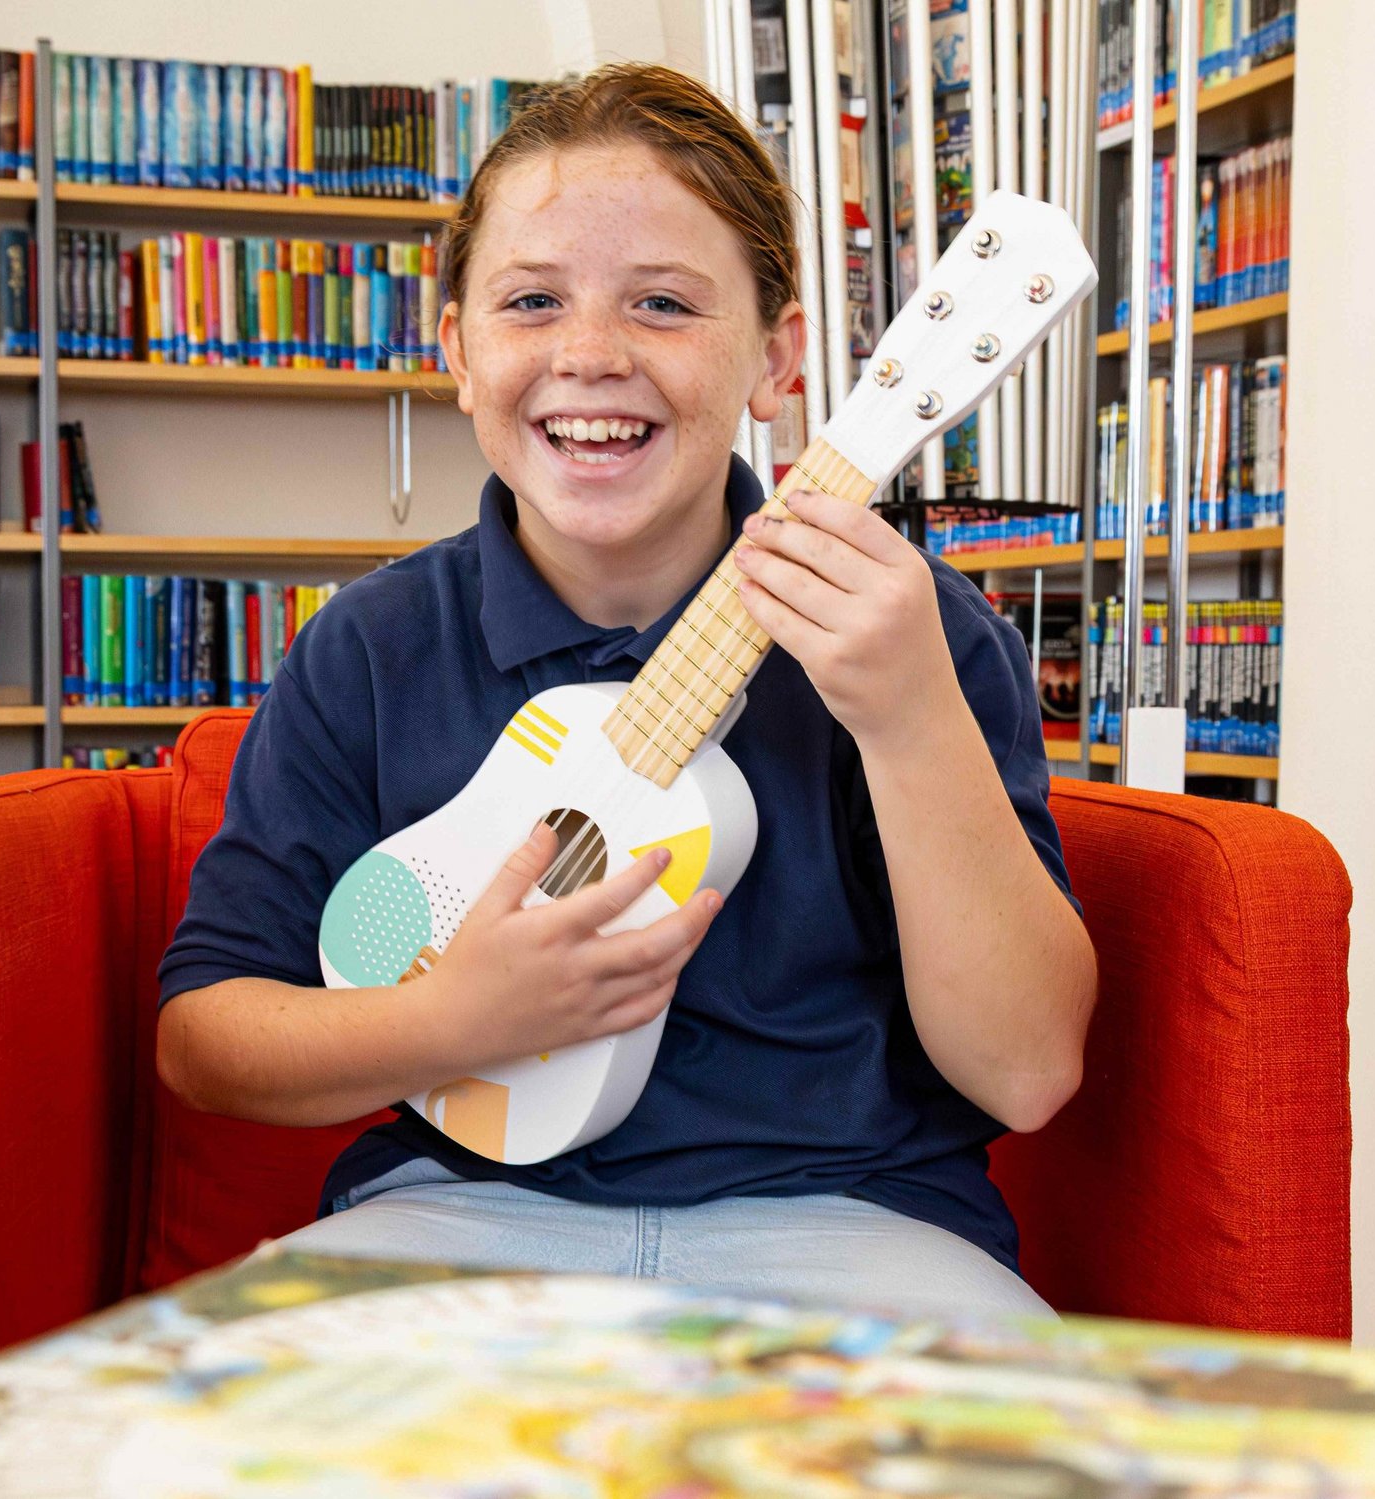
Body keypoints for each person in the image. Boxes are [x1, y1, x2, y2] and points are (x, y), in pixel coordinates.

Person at [156, 62, 1096, 1321]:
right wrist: (449, 1021)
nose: (590, 355)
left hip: (853, 1223)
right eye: (531, 301)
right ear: (459, 351)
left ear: (775, 358)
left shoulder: (917, 633)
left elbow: (1026, 1070)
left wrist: (909, 715)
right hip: (455, 1211)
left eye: (661, 303)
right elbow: (206, 1039)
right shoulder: (371, 650)